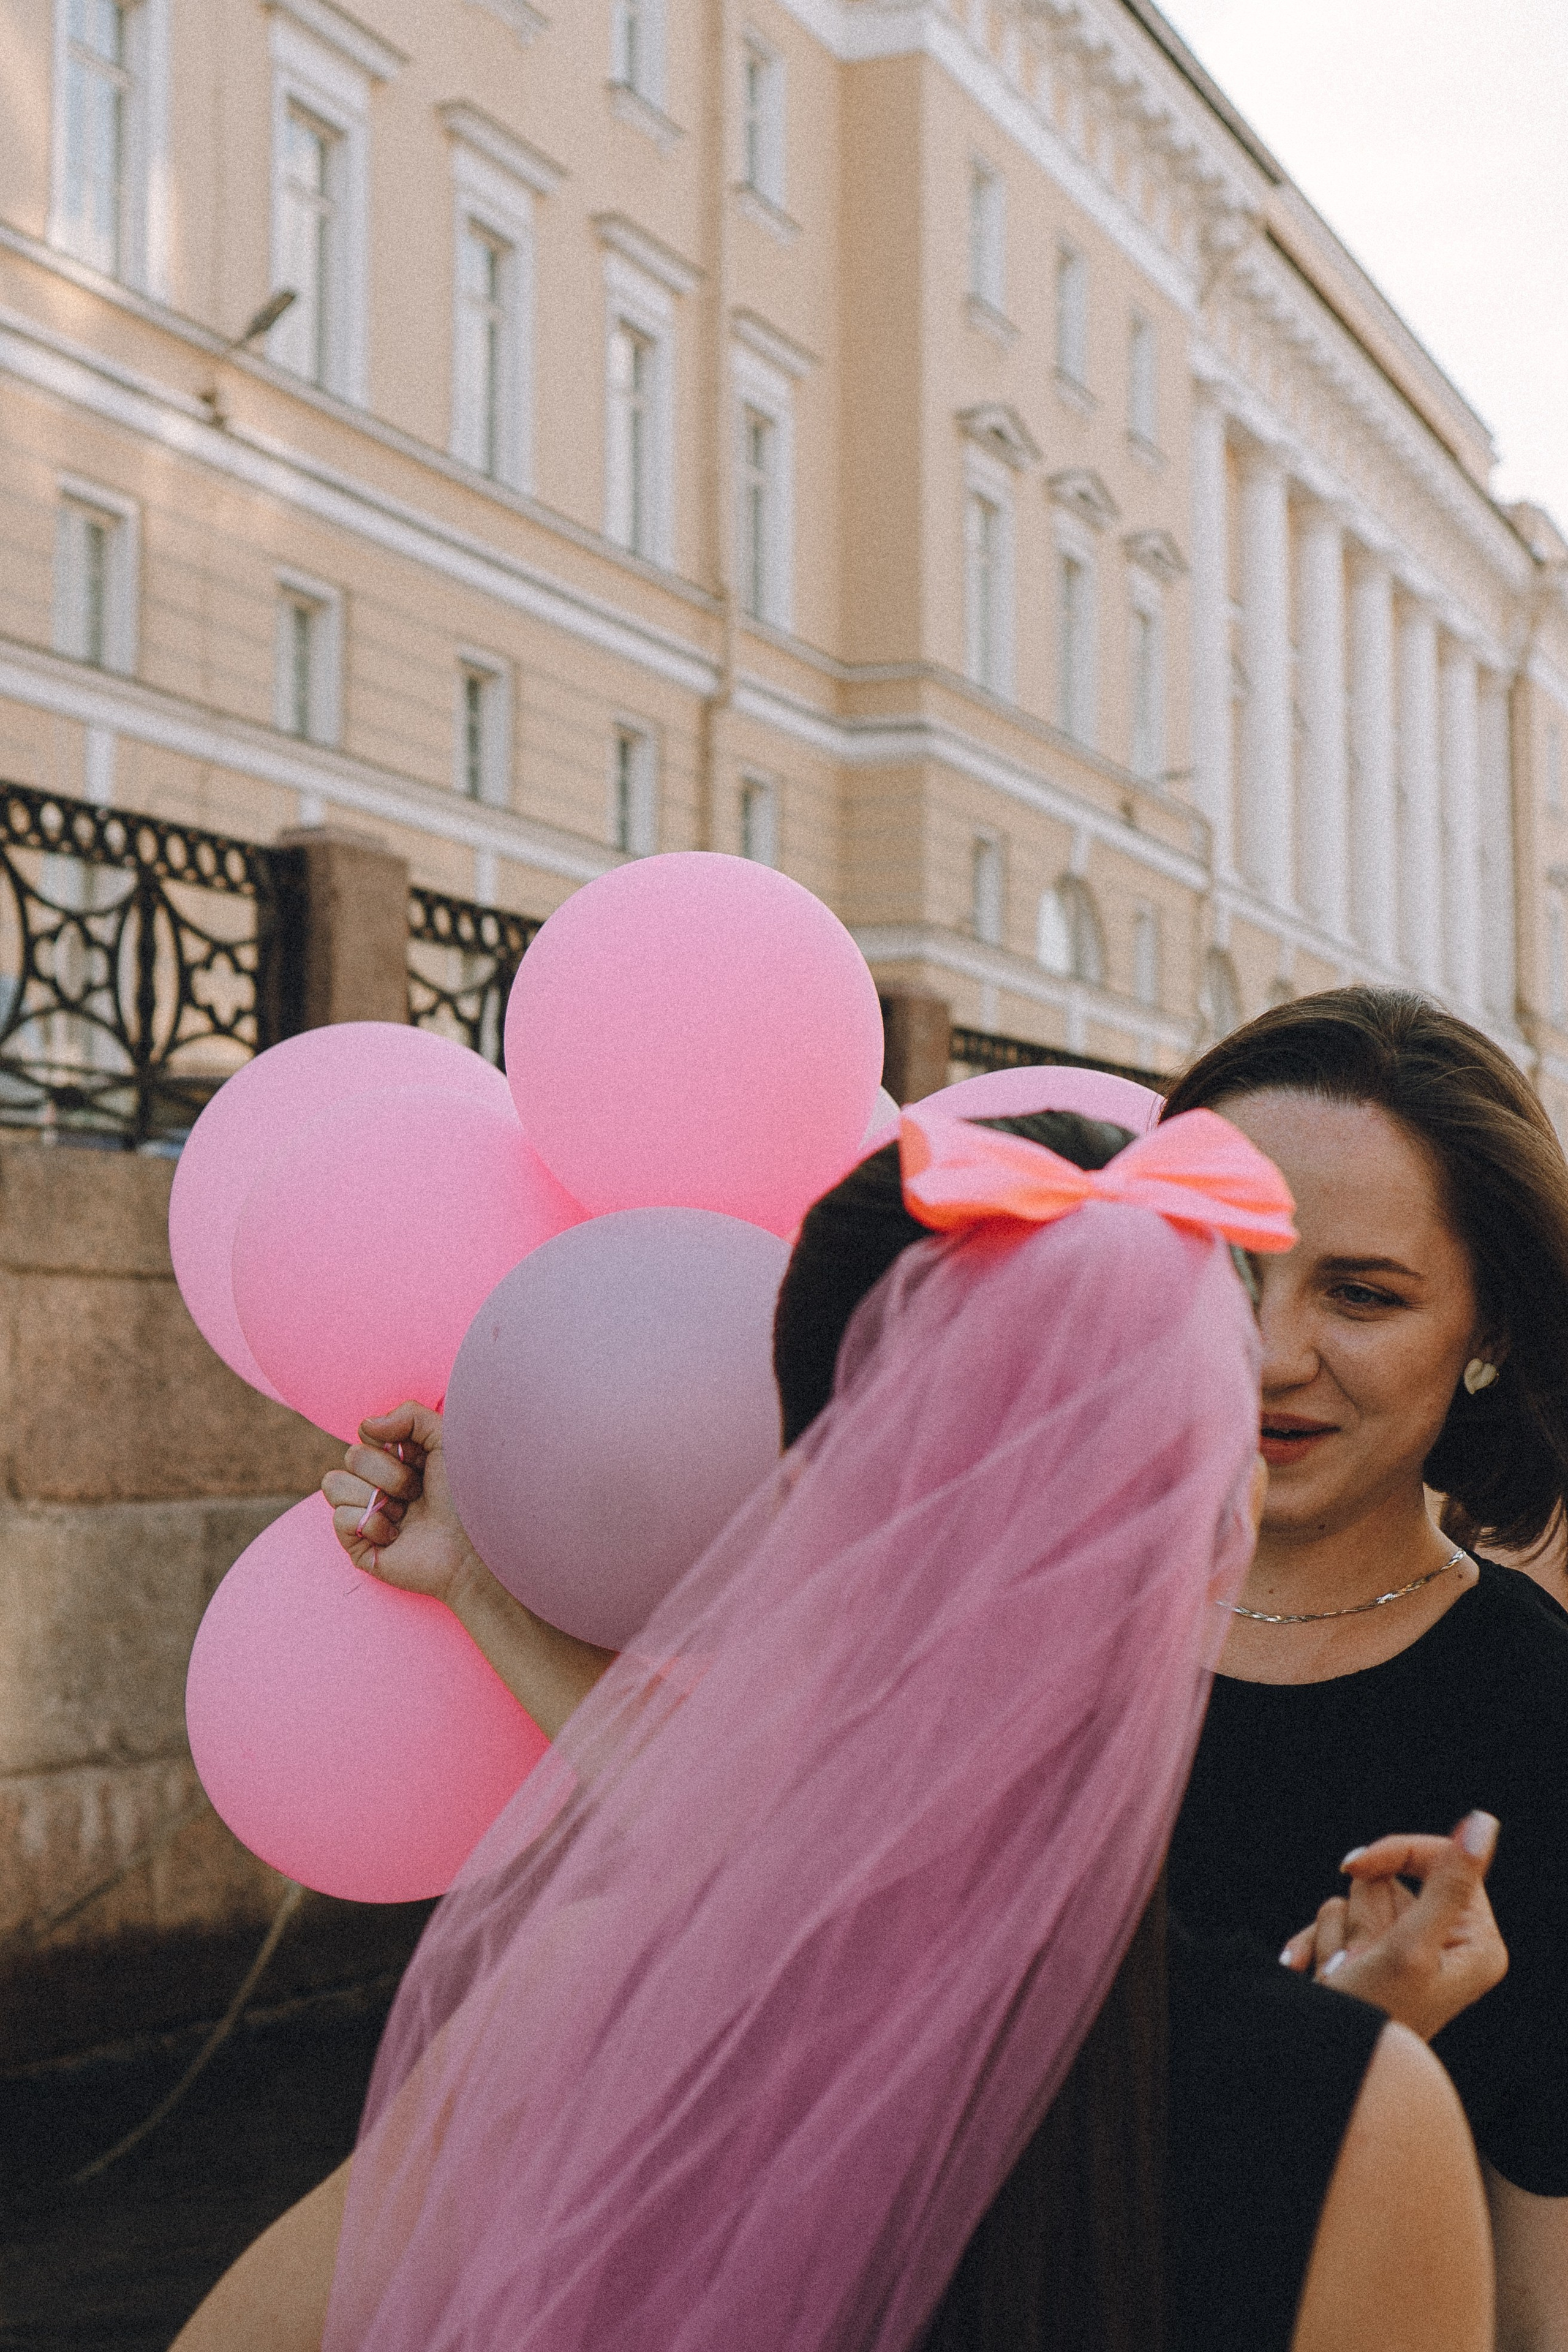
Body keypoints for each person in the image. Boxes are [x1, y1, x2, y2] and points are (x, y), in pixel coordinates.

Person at [172, 1102, 1495, 2352]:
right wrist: (1321, 2060)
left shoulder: (590, 1995)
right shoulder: (1353, 2129)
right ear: (1223, 1536)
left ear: (807, 1499)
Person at [1161, 986, 1568, 2351]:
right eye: (1219, 1265)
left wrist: (1349, 2061)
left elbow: (1533, 2304)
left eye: (1360, 1294)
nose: (1267, 1354)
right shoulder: (1015, 1633)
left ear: (1489, 1332)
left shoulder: (1535, 1721)